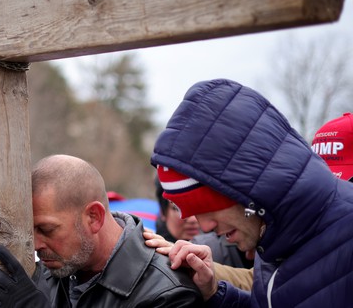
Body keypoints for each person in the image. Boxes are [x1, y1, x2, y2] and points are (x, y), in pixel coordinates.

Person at [151, 79, 353, 306]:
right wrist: (213, 293)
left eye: (206, 209)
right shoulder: (272, 237)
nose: (205, 227)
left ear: (247, 190)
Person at [0, 154, 202, 307]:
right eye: (31, 232)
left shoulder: (168, 292)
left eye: (47, 229)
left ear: (94, 217)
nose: (37, 245)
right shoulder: (45, 275)